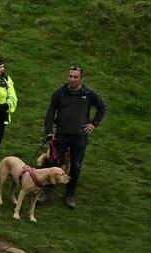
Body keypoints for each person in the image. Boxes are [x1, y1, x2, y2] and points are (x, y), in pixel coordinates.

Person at [43, 65, 106, 209]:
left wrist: (94, 124)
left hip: (80, 137)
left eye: (75, 77)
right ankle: (47, 192)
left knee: (76, 166)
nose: (72, 79)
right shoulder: (59, 93)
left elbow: (102, 107)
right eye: (70, 76)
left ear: (81, 78)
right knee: (53, 162)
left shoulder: (89, 93)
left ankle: (70, 194)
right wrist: (49, 131)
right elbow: (50, 113)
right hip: (61, 134)